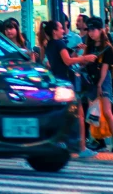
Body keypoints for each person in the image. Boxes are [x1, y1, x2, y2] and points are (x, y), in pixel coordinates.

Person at [42, 19, 98, 159]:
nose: (63, 30)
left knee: (63, 115)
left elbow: (62, 60)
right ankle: (81, 147)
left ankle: (64, 143)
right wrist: (85, 57)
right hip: (65, 83)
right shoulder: (59, 43)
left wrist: (76, 51)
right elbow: (67, 61)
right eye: (60, 28)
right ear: (54, 31)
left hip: (56, 82)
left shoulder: (49, 44)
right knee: (78, 114)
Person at [83, 17, 113, 153]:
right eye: (89, 30)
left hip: (103, 81)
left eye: (93, 30)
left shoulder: (107, 48)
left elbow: (105, 69)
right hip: (91, 80)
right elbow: (86, 63)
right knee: (94, 112)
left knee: (107, 111)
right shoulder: (90, 46)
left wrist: (99, 85)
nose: (91, 33)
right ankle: (100, 141)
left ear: (101, 30)